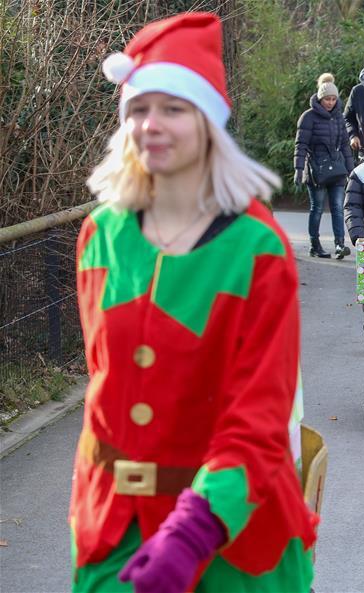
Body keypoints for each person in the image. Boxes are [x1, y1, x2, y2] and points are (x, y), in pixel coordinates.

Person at [73, 13, 317, 592]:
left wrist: (191, 532)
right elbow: (106, 388)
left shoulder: (257, 248)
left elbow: (259, 417)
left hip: (232, 540)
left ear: (208, 121)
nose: (151, 125)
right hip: (113, 533)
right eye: (137, 109)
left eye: (173, 109)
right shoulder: (100, 234)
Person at [294, 73, 355, 259]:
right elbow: (301, 145)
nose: (330, 102)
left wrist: (351, 169)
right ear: (320, 99)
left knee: (338, 207)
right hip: (315, 170)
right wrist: (298, 169)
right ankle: (315, 244)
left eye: (333, 99)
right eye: (327, 99)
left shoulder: (338, 118)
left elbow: (345, 144)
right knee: (317, 208)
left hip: (337, 169)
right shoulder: (308, 117)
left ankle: (339, 244)